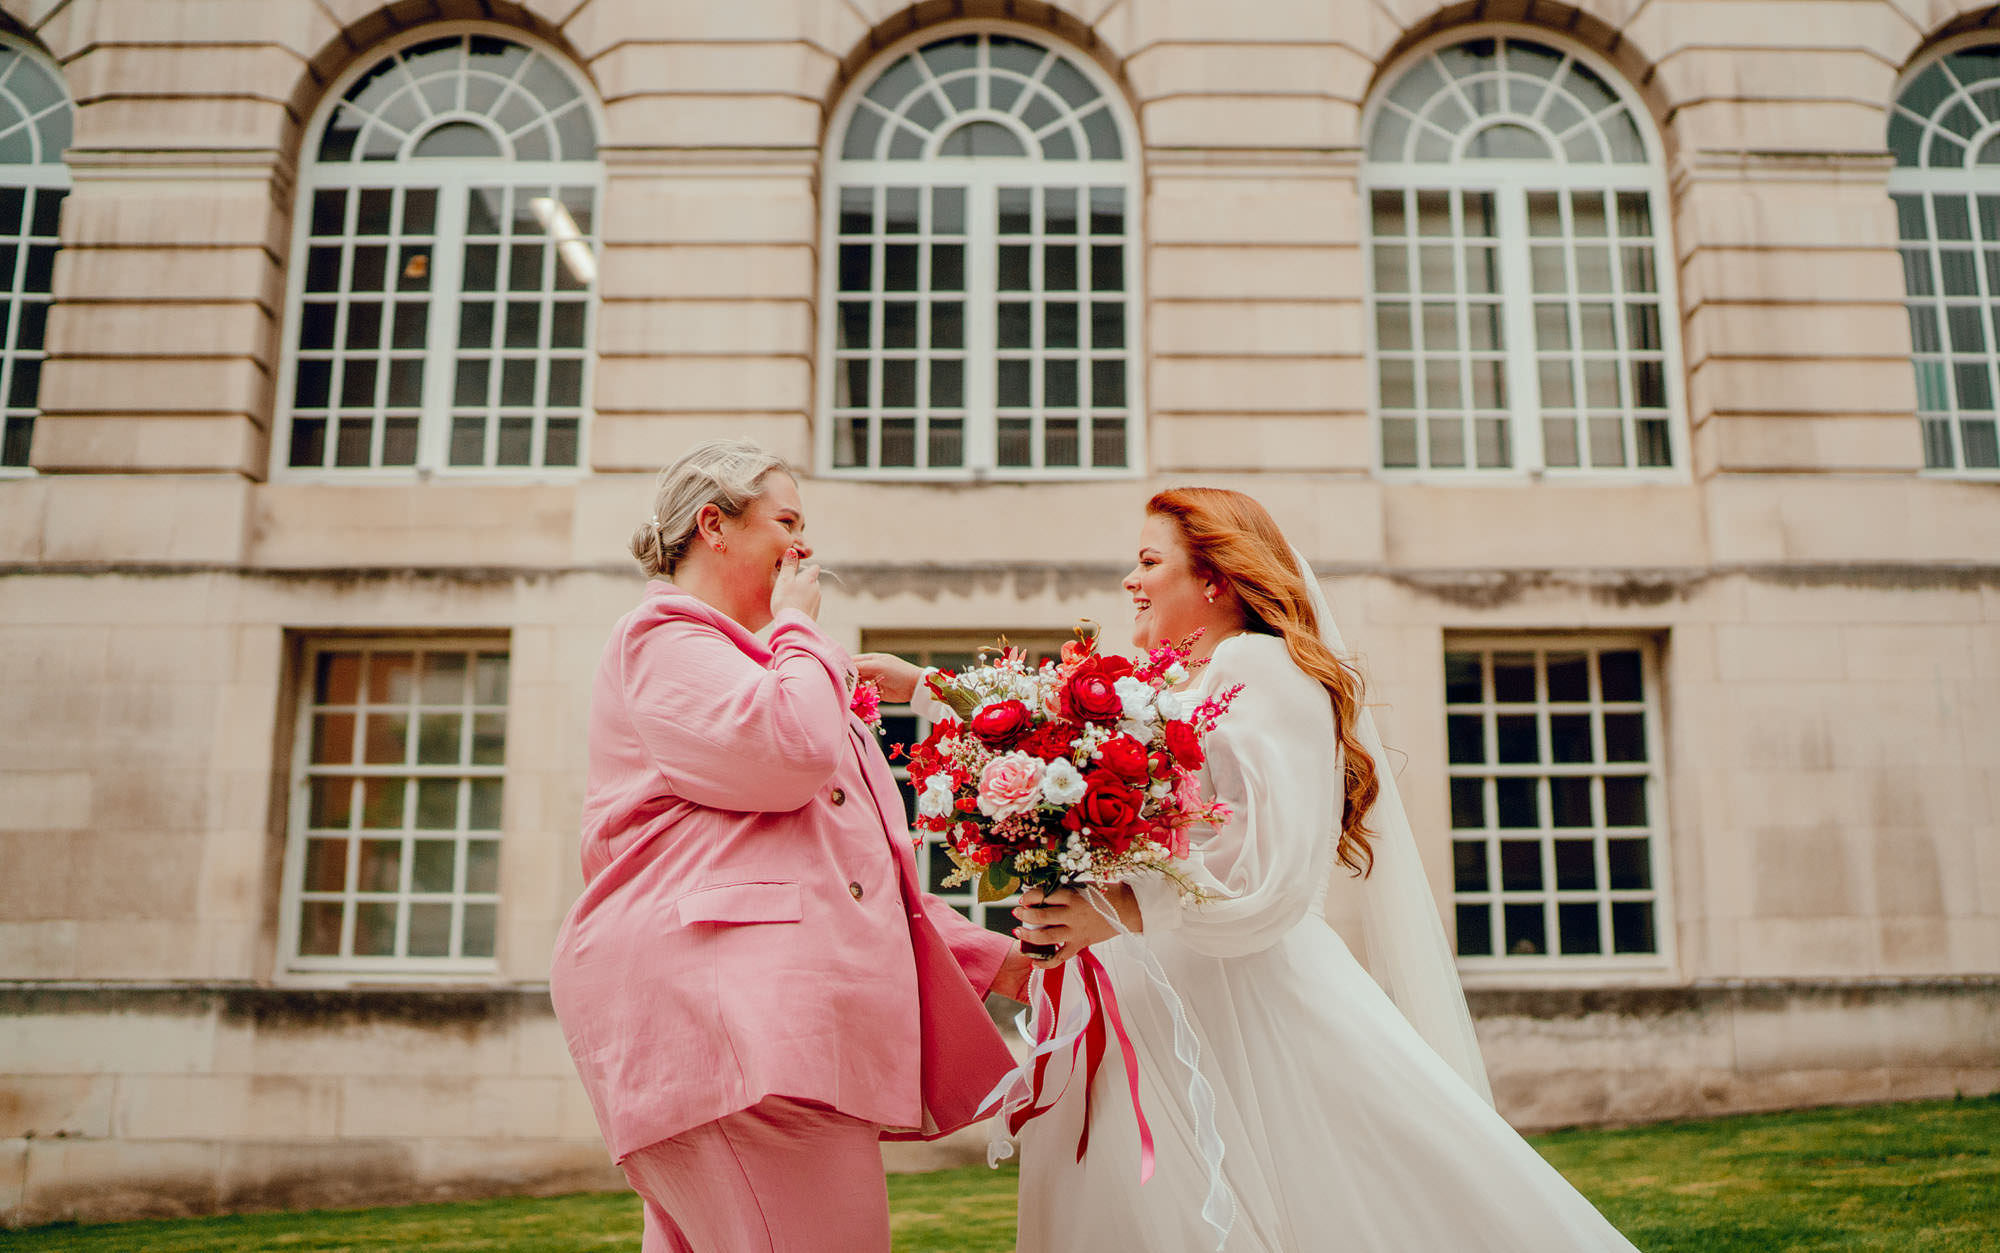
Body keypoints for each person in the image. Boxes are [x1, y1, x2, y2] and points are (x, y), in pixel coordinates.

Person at [876, 486, 1641, 1252]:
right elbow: (1052, 734)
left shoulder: (1261, 669)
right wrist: (924, 688)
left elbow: (1272, 874)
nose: (1130, 581)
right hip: (1154, 1000)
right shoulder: (1174, 689)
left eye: (1148, 561)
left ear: (1213, 580)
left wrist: (1120, 910)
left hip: (1244, 1005)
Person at [549, 439, 1031, 1253]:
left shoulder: (752, 662)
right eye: (787, 521)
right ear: (714, 525)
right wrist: (800, 631)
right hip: (737, 1037)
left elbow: (847, 873)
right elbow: (786, 755)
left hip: (752, 1040)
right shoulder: (664, 639)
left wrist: (998, 960)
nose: (805, 548)